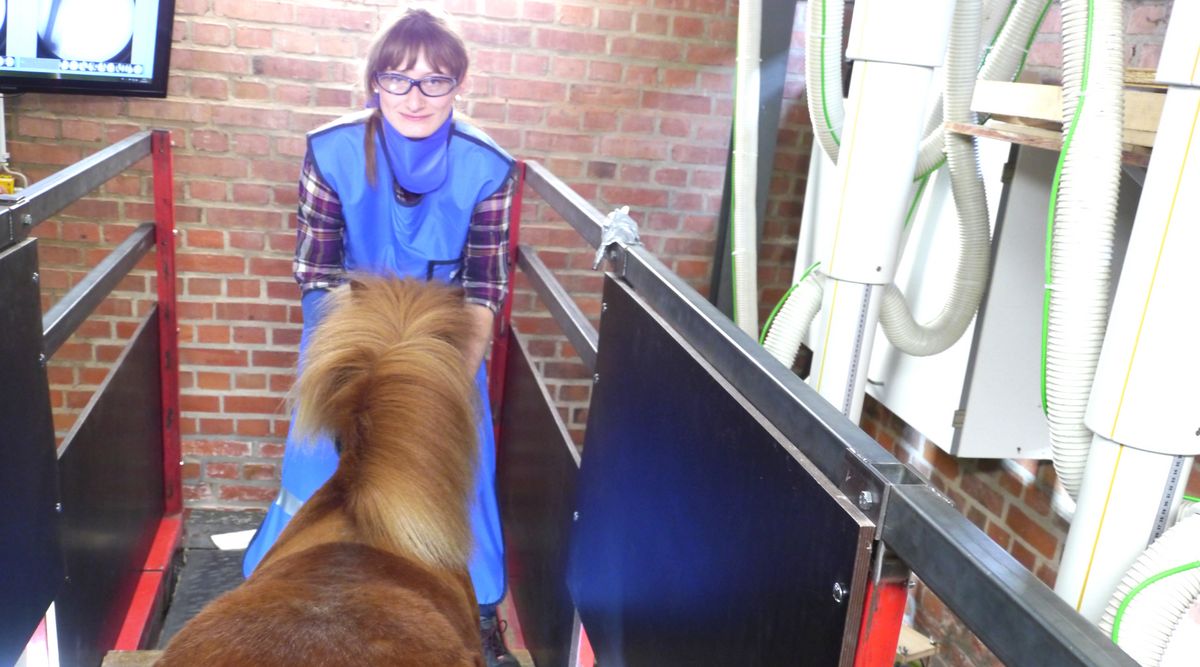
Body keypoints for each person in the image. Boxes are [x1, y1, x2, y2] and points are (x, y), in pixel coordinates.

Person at [241, 8, 519, 666]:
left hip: (445, 349)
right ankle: (281, 582)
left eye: (434, 80)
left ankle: (478, 610)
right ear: (374, 84)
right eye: (397, 79)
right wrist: (345, 373)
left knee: (462, 468)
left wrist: (441, 385)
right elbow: (317, 272)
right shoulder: (331, 150)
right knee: (314, 460)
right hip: (349, 332)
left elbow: (483, 288)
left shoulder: (490, 167)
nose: (415, 96)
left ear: (459, 85)